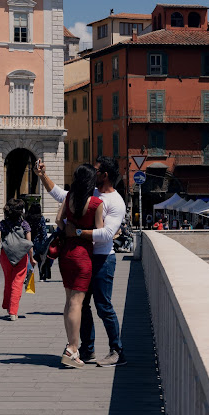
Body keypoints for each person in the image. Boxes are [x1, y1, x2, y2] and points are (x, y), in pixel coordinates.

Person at [34, 156, 127, 367]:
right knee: (83, 305)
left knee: (104, 306)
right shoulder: (91, 192)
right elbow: (61, 195)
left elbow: (107, 234)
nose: (92, 174)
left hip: (103, 258)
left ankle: (117, 351)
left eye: (96, 171)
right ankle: (87, 349)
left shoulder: (116, 202)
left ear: (105, 175)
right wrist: (43, 176)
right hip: (85, 257)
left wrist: (75, 231)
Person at [56, 164, 104, 368]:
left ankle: (71, 345)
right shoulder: (95, 203)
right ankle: (73, 348)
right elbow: (99, 232)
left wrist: (69, 228)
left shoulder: (69, 199)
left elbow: (58, 220)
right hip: (83, 255)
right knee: (77, 303)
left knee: (69, 301)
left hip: (65, 253)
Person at [0, 198, 36, 321]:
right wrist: (32, 258)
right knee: (17, 282)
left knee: (8, 281)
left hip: (5, 256)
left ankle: (8, 306)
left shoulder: (2, 224)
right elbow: (29, 243)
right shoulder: (25, 224)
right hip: (21, 256)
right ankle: (13, 312)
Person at [25, 203, 51, 281]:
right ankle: (42, 276)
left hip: (29, 241)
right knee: (41, 259)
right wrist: (46, 242)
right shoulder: (41, 218)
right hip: (39, 241)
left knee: (30, 258)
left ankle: (29, 277)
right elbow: (43, 231)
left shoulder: (27, 218)